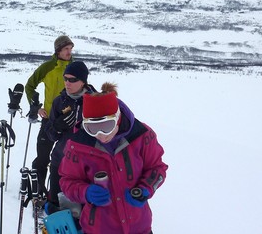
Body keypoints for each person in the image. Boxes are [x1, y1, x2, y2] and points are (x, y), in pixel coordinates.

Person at [59, 83, 168, 234]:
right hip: (98, 228)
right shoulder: (77, 146)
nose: (102, 135)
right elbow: (67, 182)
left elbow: (157, 168)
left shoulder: (142, 135)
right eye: (93, 128)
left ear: (117, 118)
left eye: (107, 126)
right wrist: (86, 192)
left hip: (139, 227)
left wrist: (145, 188)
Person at [25, 35, 74, 198]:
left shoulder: (74, 68)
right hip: (48, 120)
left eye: (71, 49)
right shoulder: (47, 67)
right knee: (42, 158)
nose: (70, 52)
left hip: (68, 121)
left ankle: (57, 194)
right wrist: (37, 107)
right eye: (66, 49)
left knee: (62, 160)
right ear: (58, 50)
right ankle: (37, 189)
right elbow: (30, 86)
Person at [45, 61, 97, 210]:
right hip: (60, 162)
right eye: (65, 78)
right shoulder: (59, 102)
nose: (67, 83)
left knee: (83, 212)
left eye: (72, 79)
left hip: (86, 167)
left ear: (83, 81)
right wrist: (57, 126)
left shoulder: (96, 101)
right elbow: (50, 135)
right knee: (57, 207)